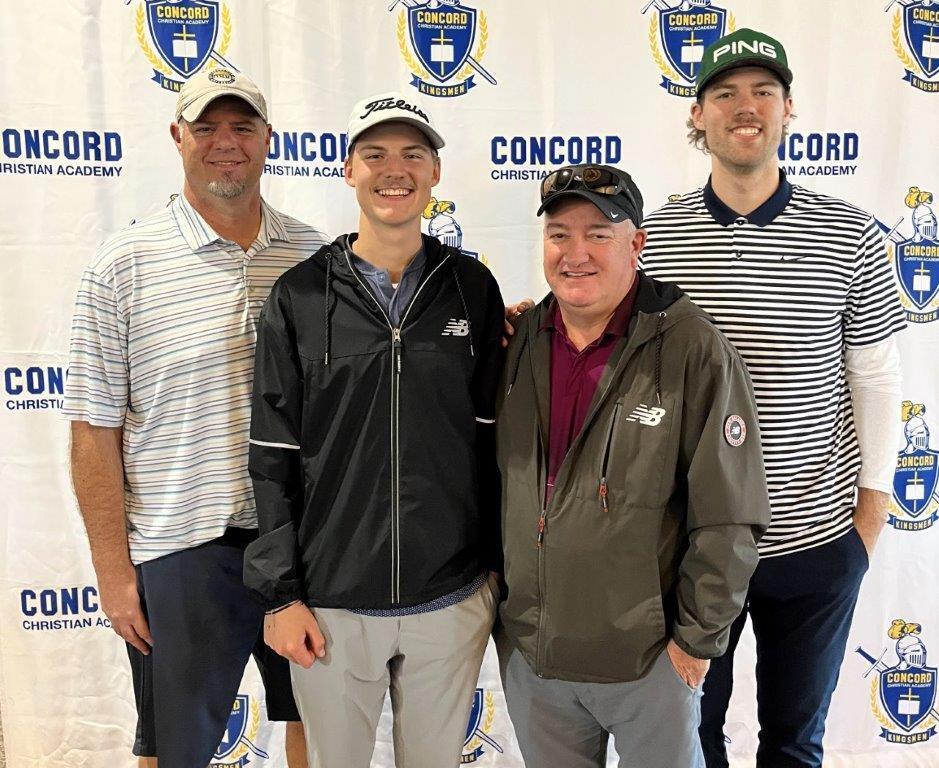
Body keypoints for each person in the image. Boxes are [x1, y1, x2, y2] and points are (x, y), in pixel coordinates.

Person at [640, 28, 906, 768]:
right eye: (724, 93)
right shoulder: (653, 239)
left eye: (763, 91)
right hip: (692, 548)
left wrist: (869, 518)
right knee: (690, 738)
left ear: (789, 109)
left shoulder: (851, 234)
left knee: (794, 742)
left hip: (817, 540)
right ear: (698, 115)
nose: (745, 106)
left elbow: (875, 377)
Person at [64, 68, 328, 767]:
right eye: (206, 127)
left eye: (242, 127)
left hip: (305, 543)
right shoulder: (123, 265)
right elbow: (93, 431)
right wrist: (113, 570)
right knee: (171, 750)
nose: (225, 142)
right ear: (177, 136)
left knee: (319, 729)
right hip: (179, 548)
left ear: (268, 139)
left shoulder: (317, 259)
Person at [243, 91, 506, 768]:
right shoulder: (300, 295)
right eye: (375, 154)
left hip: (449, 596)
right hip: (332, 602)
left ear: (435, 172)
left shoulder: (471, 287)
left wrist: (493, 575)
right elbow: (272, 456)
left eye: (413, 154)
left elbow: (493, 442)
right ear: (348, 170)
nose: (395, 170)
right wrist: (282, 596)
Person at [495, 163, 771, 768]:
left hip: (648, 663)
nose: (576, 253)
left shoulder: (691, 348)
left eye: (598, 233)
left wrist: (694, 643)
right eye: (559, 234)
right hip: (535, 660)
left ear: (636, 243)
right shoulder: (518, 341)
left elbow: (729, 514)